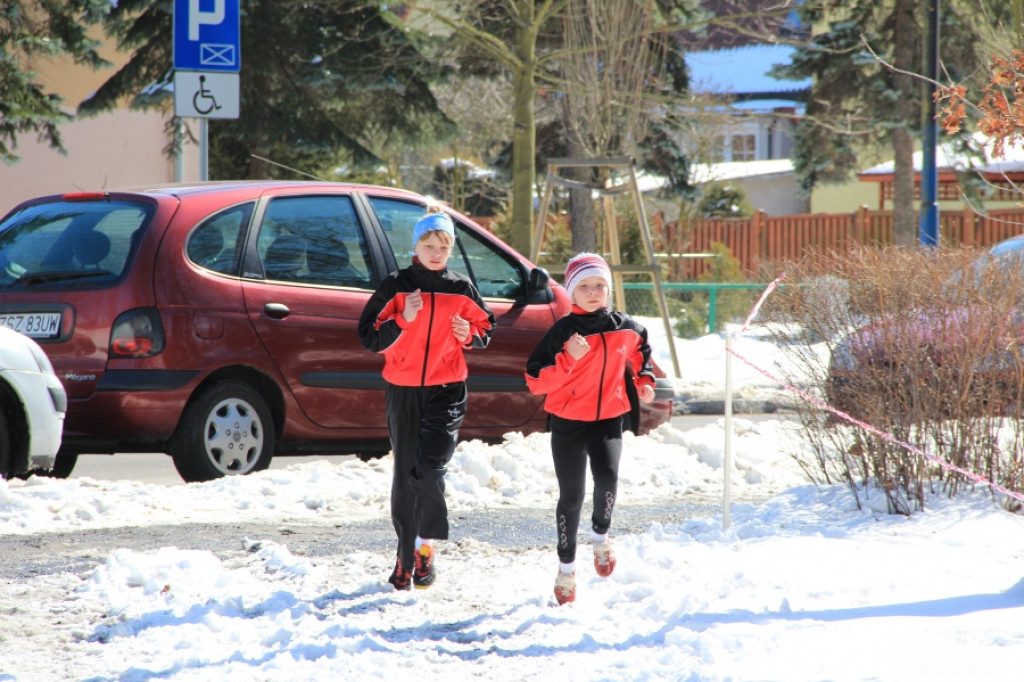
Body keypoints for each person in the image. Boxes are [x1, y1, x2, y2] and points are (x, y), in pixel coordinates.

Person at [358, 205, 495, 591]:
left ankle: (424, 547)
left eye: (444, 247)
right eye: (429, 245)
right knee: (406, 476)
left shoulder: (460, 288)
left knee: (430, 470)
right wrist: (403, 320)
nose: (436, 253)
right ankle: (405, 559)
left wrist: (469, 334)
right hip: (403, 391)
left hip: (447, 390)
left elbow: (486, 328)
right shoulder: (396, 286)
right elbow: (369, 336)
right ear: (415, 246)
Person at [525, 252, 656, 605]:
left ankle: (600, 537)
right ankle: (566, 569)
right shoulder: (562, 332)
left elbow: (641, 352)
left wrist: (644, 380)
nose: (594, 292)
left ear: (609, 289)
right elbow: (535, 381)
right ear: (571, 291)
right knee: (572, 496)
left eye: (600, 285)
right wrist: (568, 357)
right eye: (584, 286)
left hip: (609, 417)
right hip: (568, 421)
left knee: (608, 480)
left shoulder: (625, 326)